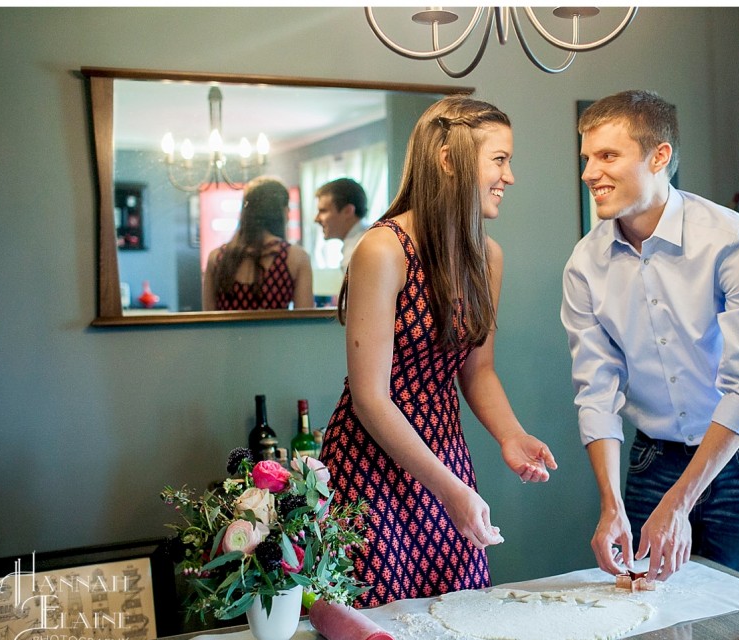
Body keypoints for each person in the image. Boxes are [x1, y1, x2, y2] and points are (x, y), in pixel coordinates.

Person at [319, 95, 557, 608]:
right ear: (449, 160)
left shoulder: (487, 256)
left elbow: (479, 369)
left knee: (462, 617)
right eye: (499, 159)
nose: (509, 176)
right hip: (370, 468)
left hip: (446, 457)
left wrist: (511, 436)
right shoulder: (383, 250)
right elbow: (370, 399)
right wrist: (449, 490)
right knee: (380, 631)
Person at [561, 90, 739, 585]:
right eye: (587, 158)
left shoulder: (737, 244)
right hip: (653, 459)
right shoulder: (584, 264)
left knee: (736, 627)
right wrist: (610, 504)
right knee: (645, 614)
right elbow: (596, 390)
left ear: (658, 156)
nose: (589, 174)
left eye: (607, 156)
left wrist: (680, 502)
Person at [202, 176, 313, 310]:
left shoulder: (217, 258)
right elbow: (304, 322)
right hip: (275, 332)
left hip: (228, 332)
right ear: (282, 211)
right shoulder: (295, 257)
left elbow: (208, 321)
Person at [315, 177, 370, 271]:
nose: (316, 219)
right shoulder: (359, 243)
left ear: (348, 211)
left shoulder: (363, 249)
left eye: (323, 211)